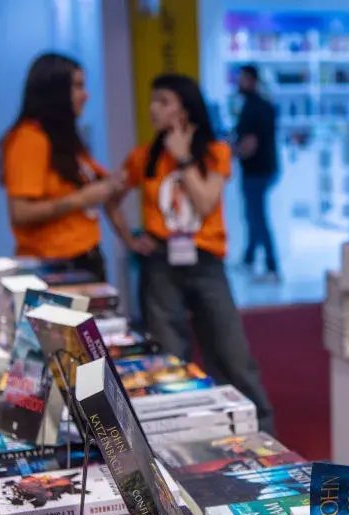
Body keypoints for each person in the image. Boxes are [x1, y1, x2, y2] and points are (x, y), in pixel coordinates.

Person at [106, 73, 276, 436]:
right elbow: (111, 199)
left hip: (206, 262)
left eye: (164, 101)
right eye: (153, 100)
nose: (154, 109)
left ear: (186, 109)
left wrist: (183, 160)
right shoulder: (143, 157)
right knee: (169, 358)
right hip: (160, 264)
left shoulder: (215, 152)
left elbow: (205, 200)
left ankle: (259, 433)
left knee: (231, 352)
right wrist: (130, 238)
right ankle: (183, 438)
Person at [0, 53, 125, 281]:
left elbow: (100, 186)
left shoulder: (67, 140)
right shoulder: (29, 138)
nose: (85, 96)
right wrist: (82, 199)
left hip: (84, 260)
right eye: (77, 87)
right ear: (55, 92)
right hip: (52, 266)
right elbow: (20, 212)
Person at [234, 65, 280, 279]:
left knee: (257, 217)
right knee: (252, 215)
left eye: (242, 78)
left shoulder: (253, 108)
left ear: (252, 80)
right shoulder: (262, 105)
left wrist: (229, 153)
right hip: (265, 168)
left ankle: (272, 266)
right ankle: (249, 258)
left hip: (256, 170)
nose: (239, 83)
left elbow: (249, 143)